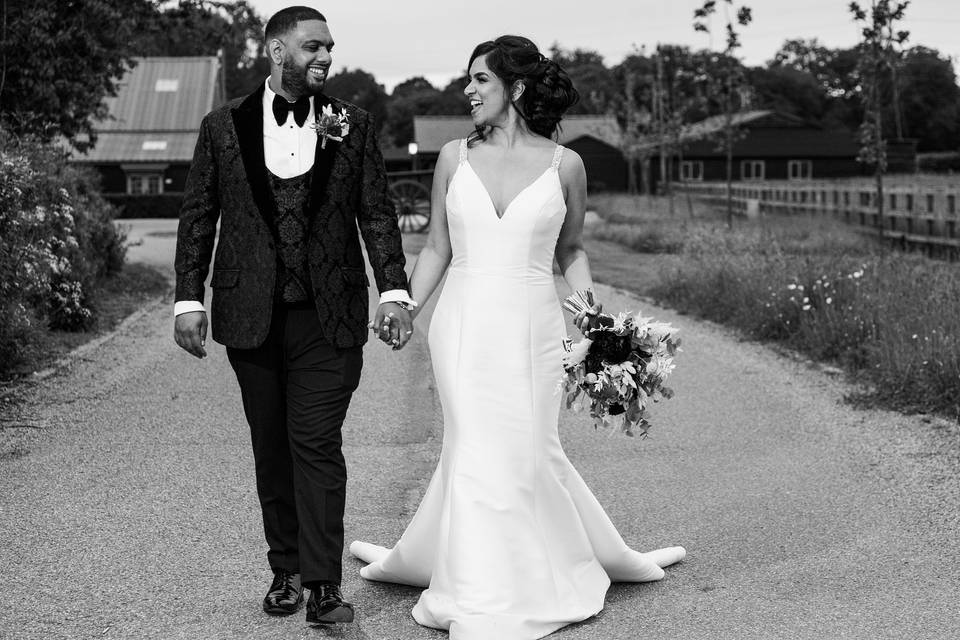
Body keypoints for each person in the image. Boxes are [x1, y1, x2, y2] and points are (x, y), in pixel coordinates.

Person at [349, 35, 686, 639]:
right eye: (469, 80)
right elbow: (437, 249)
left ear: (517, 88)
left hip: (534, 326)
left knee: (530, 449)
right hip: (462, 326)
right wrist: (402, 304)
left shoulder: (567, 166)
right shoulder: (453, 157)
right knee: (475, 446)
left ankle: (550, 567)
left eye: (480, 79)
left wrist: (596, 324)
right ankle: (478, 592)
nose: (468, 90)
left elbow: (573, 252)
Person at [173, 6, 414, 625]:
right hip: (249, 315)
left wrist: (393, 291)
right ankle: (284, 571)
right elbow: (199, 216)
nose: (325, 57)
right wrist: (188, 298)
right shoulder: (220, 126)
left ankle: (324, 585)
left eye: (329, 46)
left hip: (328, 318)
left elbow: (378, 214)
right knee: (271, 447)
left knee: (317, 445)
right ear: (277, 52)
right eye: (312, 46)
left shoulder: (350, 124)